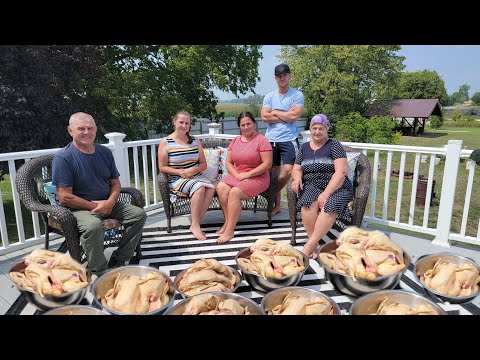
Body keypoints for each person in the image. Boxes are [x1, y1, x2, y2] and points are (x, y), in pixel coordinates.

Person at [52, 112, 147, 275]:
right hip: (78, 208)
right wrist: (96, 206)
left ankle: (120, 257)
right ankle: (99, 269)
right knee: (93, 226)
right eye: (81, 128)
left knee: (139, 215)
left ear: (95, 130)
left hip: (107, 203)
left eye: (90, 128)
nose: (86, 132)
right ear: (70, 131)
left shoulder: (104, 152)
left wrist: (109, 203)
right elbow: (64, 196)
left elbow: (115, 183)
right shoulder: (63, 158)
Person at [291, 114, 353, 259]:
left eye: (321, 128)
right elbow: (296, 168)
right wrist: (297, 177)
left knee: (328, 206)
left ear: (327, 129)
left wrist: (326, 193)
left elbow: (341, 172)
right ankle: (316, 244)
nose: (317, 132)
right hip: (312, 184)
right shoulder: (304, 147)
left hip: (336, 186)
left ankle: (308, 246)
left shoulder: (334, 145)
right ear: (310, 129)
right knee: (307, 203)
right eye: (314, 128)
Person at [157, 110, 215, 240]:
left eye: (187, 123)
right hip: (177, 179)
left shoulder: (195, 140)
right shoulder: (166, 142)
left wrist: (192, 171)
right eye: (181, 122)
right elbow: (162, 167)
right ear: (174, 122)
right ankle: (195, 226)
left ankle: (195, 223)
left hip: (195, 176)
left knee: (211, 188)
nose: (184, 125)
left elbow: (203, 164)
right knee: (200, 187)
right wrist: (181, 172)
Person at [216, 112, 273, 243]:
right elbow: (229, 162)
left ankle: (230, 230)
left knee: (235, 193)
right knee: (221, 187)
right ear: (239, 127)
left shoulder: (262, 140)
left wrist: (248, 174)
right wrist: (236, 175)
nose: (246, 127)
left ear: (254, 124)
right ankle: (227, 222)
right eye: (243, 125)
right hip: (238, 175)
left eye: (248, 124)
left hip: (258, 177)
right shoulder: (236, 140)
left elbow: (267, 164)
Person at [261, 63, 304, 216]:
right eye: (279, 76)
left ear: (289, 76)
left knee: (288, 171)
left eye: (285, 75)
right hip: (270, 140)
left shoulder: (297, 95)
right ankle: (277, 205)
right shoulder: (269, 96)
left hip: (289, 139)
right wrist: (285, 114)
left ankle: (270, 193)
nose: (282, 78)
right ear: (275, 78)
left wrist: (275, 112)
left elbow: (294, 116)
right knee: (273, 173)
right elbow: (264, 117)